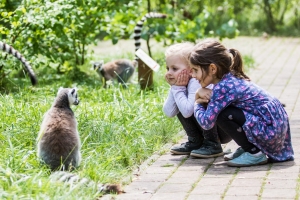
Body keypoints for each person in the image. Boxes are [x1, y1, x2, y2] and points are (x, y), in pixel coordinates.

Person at [189, 39, 294, 167]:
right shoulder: (229, 78)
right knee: (225, 111)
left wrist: (197, 102)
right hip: (273, 126)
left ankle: (254, 153)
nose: (193, 75)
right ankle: (248, 147)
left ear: (212, 68)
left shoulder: (223, 87)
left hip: (270, 130)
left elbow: (206, 122)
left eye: (195, 70)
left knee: (223, 115)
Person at [163, 42, 231, 158]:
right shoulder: (182, 83)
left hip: (223, 129)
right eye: (168, 68)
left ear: (190, 69)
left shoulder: (195, 81)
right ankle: (196, 141)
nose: (169, 73)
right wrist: (175, 88)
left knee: (200, 102)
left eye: (174, 68)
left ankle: (213, 144)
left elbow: (188, 111)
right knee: (180, 102)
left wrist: (178, 89)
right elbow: (169, 112)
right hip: (209, 126)